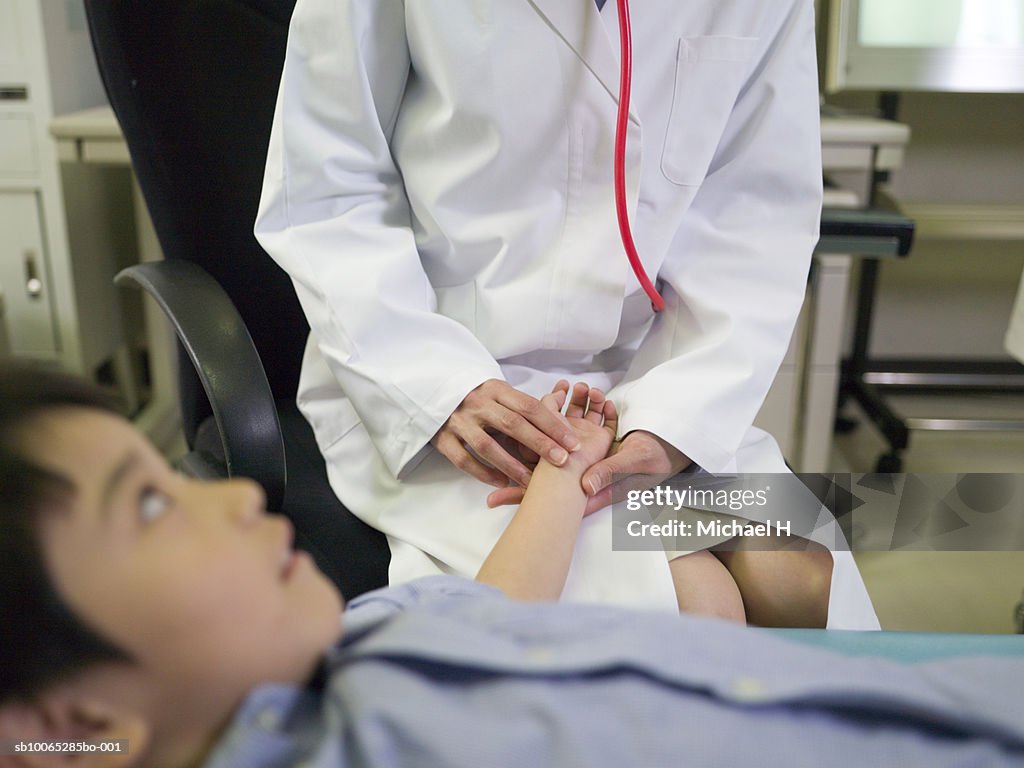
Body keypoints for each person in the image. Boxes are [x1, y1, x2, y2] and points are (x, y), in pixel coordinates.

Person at [2, 364, 1024, 768]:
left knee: (805, 554)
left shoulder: (357, 635)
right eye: (148, 503)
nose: (230, 493)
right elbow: (328, 220)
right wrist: (459, 395)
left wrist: (581, 463)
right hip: (453, 429)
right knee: (707, 599)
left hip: (626, 423)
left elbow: (479, 610)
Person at [254, 0, 878, 627]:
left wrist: (672, 427)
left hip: (660, 383)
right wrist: (438, 389)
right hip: (449, 383)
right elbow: (326, 192)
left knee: (803, 581)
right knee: (693, 602)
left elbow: (754, 219)